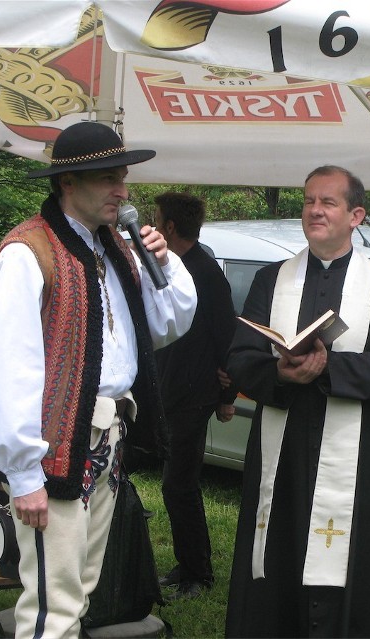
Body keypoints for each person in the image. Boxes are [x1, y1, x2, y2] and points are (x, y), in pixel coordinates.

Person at [0, 121, 197, 639]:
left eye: (123, 177)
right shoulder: (28, 255)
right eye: (108, 179)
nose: (123, 190)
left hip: (106, 442)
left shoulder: (115, 249)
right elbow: (3, 371)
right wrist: (25, 473)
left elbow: (167, 323)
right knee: (53, 603)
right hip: (57, 448)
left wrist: (165, 261)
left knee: (80, 589)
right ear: (68, 183)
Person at [224, 165, 370, 638]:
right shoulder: (272, 280)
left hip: (357, 452)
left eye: (328, 202)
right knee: (277, 553)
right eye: (309, 201)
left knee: (352, 559)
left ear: (356, 215)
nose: (314, 210)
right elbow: (242, 357)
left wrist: (328, 366)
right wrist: (280, 372)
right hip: (282, 447)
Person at [152, 192, 238, 601]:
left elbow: (228, 339)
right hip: (168, 391)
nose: (151, 225)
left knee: (178, 484)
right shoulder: (170, 267)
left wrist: (227, 396)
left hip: (193, 395)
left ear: (170, 227)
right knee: (174, 483)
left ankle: (197, 573)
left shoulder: (205, 272)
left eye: (155, 219)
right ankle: (187, 565)